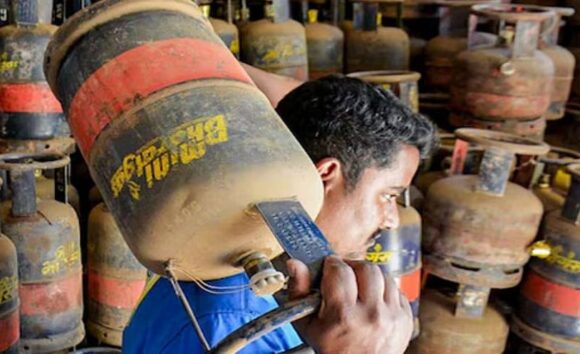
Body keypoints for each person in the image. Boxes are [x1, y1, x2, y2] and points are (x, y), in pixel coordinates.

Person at [122, 69, 437, 354]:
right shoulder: (231, 322)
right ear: (325, 175)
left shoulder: (230, 255)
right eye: (388, 195)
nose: (392, 219)